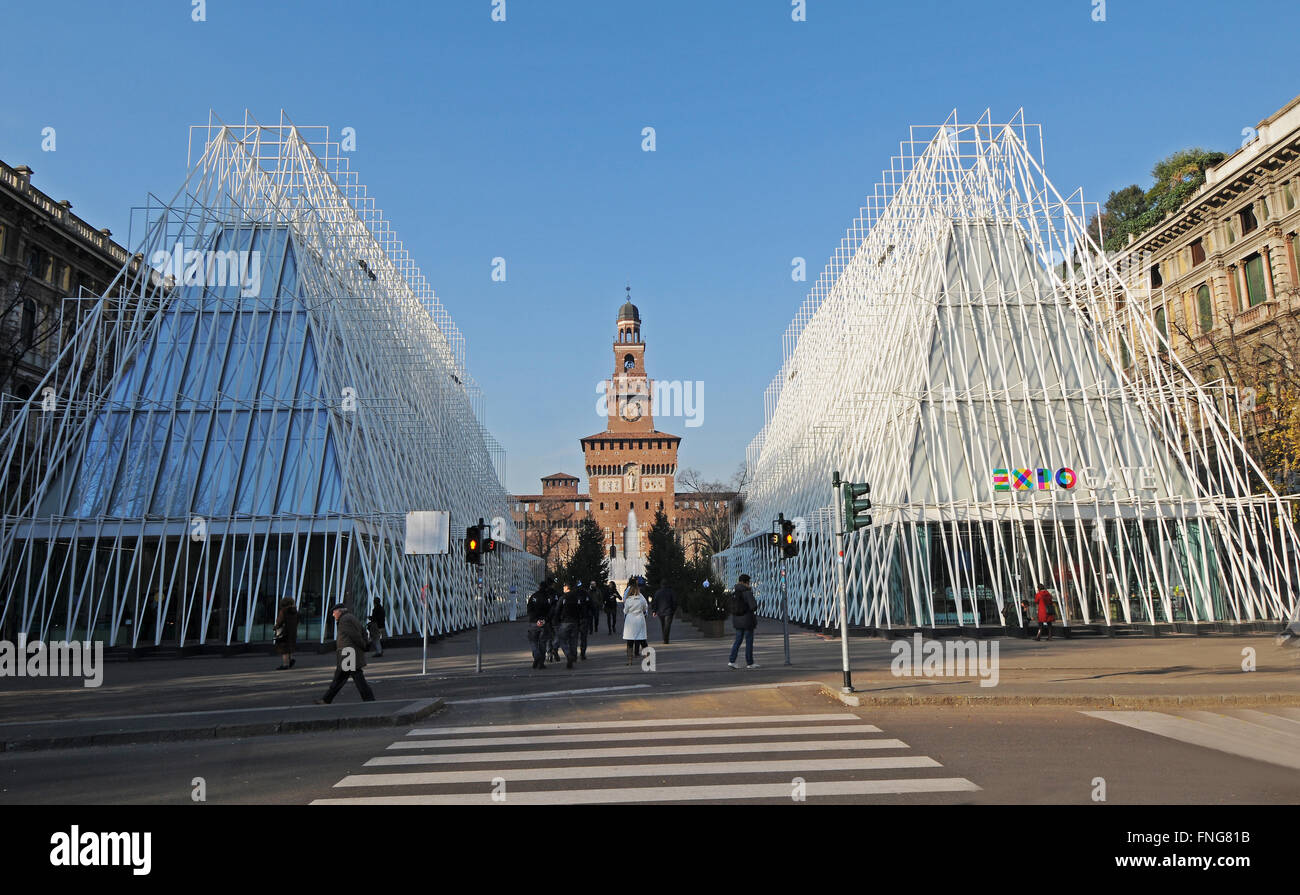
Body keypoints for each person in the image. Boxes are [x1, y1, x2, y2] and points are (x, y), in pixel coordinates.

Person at [317, 604, 376, 703]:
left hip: (348, 653)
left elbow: (355, 636)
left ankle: (369, 699)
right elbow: (363, 632)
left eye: (334, 612)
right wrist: (364, 644)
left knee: (351, 678)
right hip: (349, 653)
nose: (333, 615)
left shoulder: (345, 620)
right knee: (343, 678)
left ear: (339, 611)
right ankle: (326, 699)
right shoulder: (351, 617)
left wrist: (363, 645)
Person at [727, 574, 759, 669]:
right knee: (749, 642)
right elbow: (753, 606)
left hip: (737, 620)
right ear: (746, 582)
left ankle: (732, 661)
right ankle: (750, 662)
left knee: (737, 641)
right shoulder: (747, 592)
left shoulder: (735, 592)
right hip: (747, 620)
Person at [556, 583, 586, 669]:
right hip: (575, 622)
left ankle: (568, 654)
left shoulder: (563, 598)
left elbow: (558, 609)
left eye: (564, 588)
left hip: (565, 621)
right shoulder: (576, 598)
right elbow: (581, 609)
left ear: (566, 588)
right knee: (574, 640)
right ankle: (574, 656)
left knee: (562, 640)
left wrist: (556, 620)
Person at [526, 580, 554, 669]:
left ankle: (536, 655)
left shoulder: (533, 597)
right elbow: (551, 611)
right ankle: (541, 662)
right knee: (543, 643)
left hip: (534, 623)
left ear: (539, 587)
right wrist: (544, 620)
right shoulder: (548, 598)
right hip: (544, 623)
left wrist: (535, 619)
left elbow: (529, 609)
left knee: (533, 640)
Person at [621, 579, 649, 665]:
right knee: (642, 640)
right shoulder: (641, 598)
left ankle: (630, 661)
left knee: (630, 642)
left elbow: (625, 611)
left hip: (630, 620)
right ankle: (647, 659)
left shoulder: (628, 600)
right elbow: (645, 607)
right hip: (640, 619)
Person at [273, 596, 298, 670]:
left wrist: (275, 627)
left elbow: (279, 621)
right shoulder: (295, 611)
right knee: (289, 647)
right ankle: (290, 660)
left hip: (284, 632)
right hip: (292, 632)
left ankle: (285, 664)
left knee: (284, 649)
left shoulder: (283, 611)